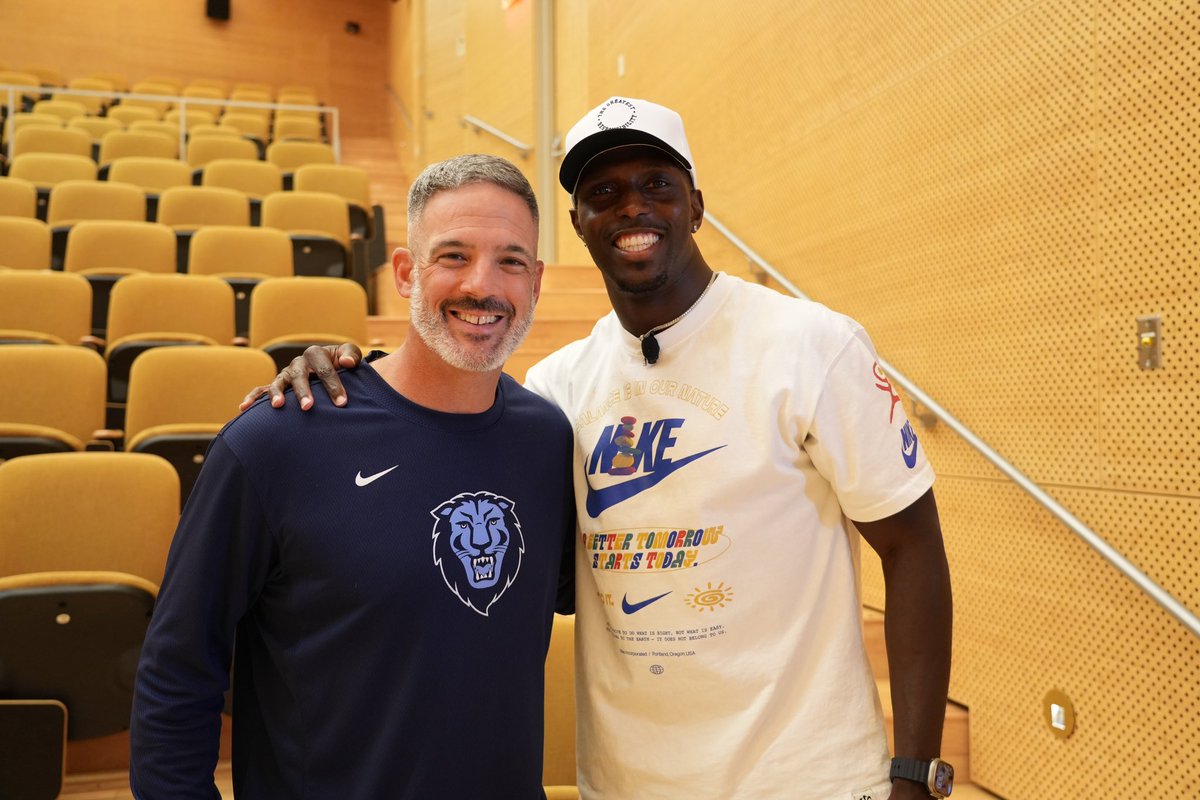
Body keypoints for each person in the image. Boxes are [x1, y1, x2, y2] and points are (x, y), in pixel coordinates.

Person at [252, 98, 954, 800]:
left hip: (804, 780)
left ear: (696, 204)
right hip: (627, 785)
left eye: (656, 184)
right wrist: (352, 378)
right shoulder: (556, 389)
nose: (632, 209)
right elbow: (446, 450)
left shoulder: (813, 346)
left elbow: (912, 544)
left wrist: (916, 772)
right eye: (604, 194)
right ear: (578, 226)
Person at [130, 154, 576, 800]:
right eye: (453, 255)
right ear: (403, 272)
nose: (483, 284)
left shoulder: (547, 440)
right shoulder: (278, 440)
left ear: (535, 282)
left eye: (510, 261)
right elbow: (177, 670)